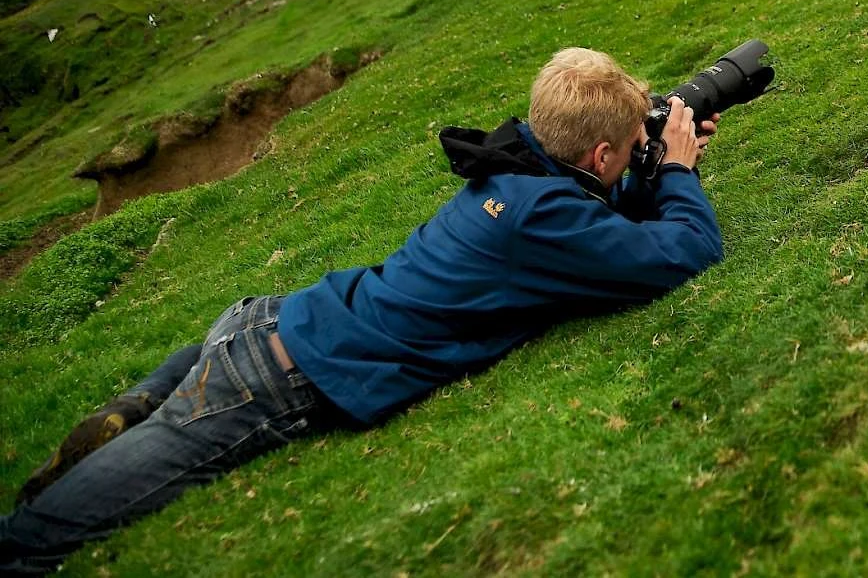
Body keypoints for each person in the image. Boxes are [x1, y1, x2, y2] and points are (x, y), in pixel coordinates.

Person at [1, 48, 724, 574]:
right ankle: (62, 501)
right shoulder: (540, 216)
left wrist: (648, 169)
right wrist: (679, 174)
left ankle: (146, 400)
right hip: (277, 379)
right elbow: (684, 251)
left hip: (273, 321)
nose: (638, 157)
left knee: (189, 391)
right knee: (38, 540)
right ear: (599, 153)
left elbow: (591, 226)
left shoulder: (516, 167)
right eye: (628, 152)